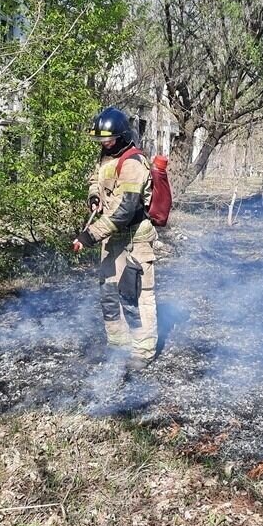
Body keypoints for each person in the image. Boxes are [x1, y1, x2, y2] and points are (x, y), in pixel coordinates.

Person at [72, 106, 158, 370]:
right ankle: (118, 345)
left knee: (137, 296)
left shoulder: (133, 162)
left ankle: (143, 352)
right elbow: (94, 180)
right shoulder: (107, 157)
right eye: (100, 141)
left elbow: (125, 211)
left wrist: (88, 236)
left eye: (107, 140)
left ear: (121, 136)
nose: (103, 144)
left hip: (134, 239)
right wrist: (94, 197)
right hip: (112, 239)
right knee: (109, 292)